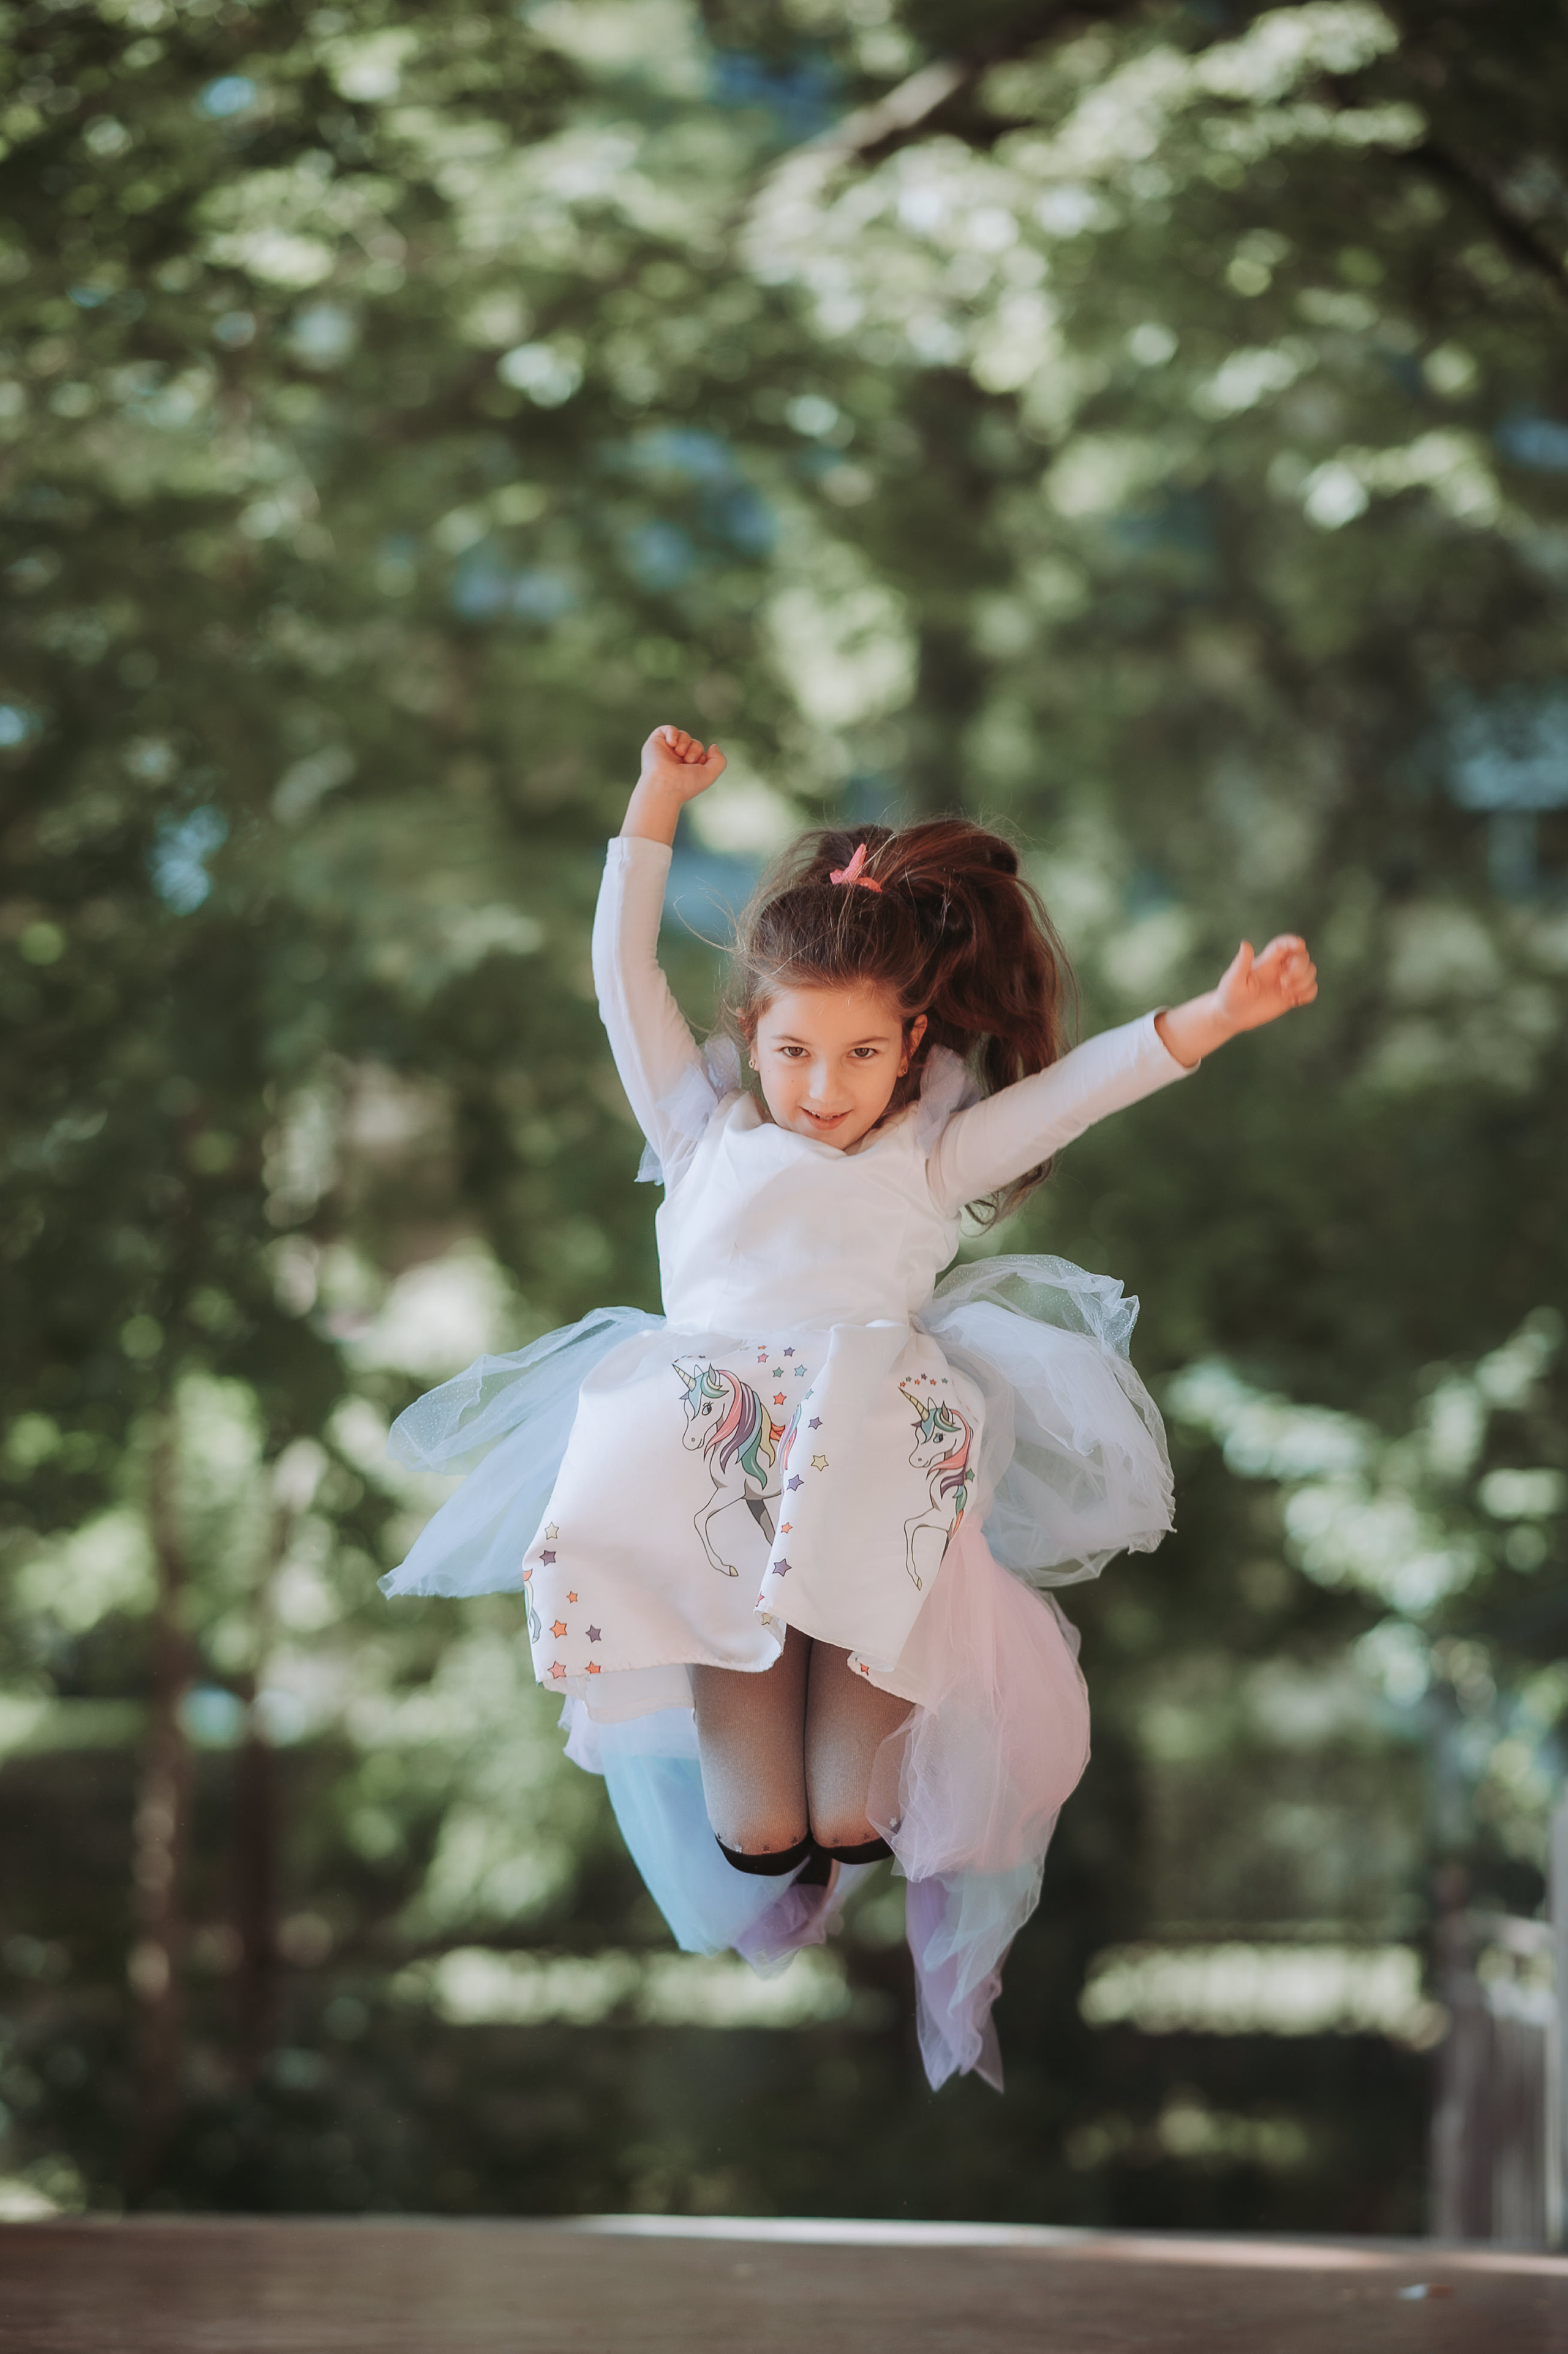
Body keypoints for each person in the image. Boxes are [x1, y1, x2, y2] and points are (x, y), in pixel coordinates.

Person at [383, 725, 1317, 2089]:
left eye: (861, 1054)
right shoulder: (696, 1135)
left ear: (909, 1047)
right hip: (705, 1488)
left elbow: (1073, 1093)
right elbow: (617, 972)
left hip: (872, 1488)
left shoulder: (927, 1162)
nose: (823, 1090)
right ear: (749, 1034)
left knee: (853, 1816)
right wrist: (651, 806)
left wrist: (1208, 1020)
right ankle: (783, 1862)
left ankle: (849, 1827)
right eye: (795, 1052)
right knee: (760, 1836)